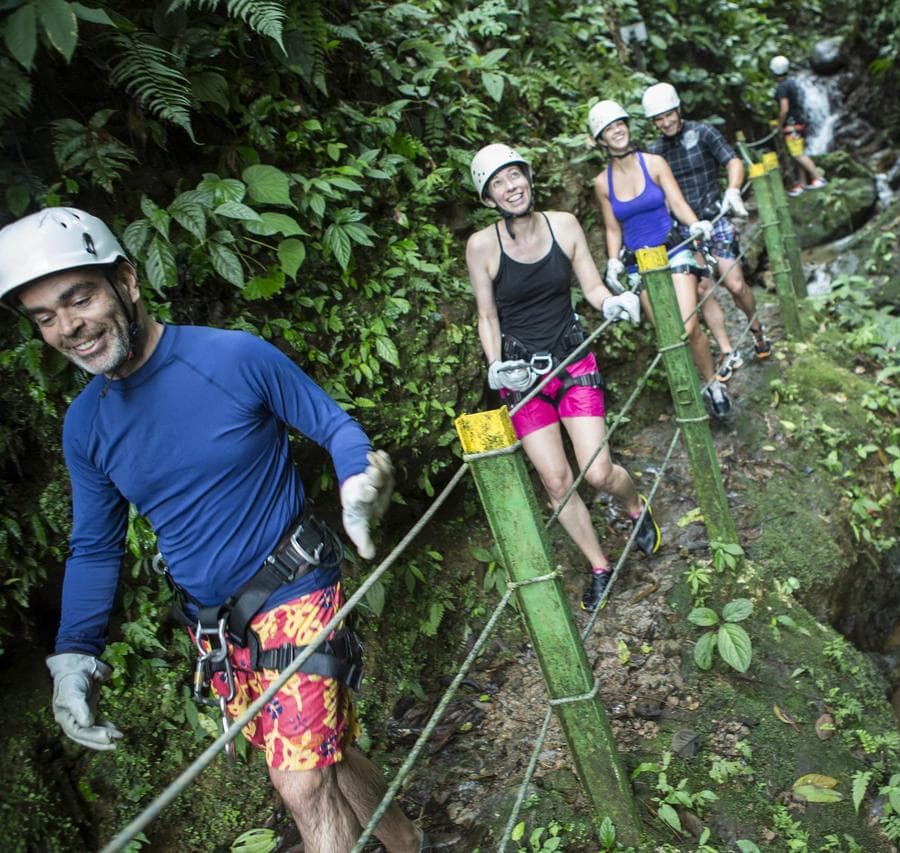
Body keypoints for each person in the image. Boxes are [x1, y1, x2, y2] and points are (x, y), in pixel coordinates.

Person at [0, 207, 422, 853]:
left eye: (78, 297)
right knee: (323, 753)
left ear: (127, 280)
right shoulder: (86, 424)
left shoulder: (231, 356)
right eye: (45, 317)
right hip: (218, 623)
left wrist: (356, 477)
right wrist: (74, 655)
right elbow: (95, 543)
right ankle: (410, 844)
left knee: (299, 783)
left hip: (296, 586)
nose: (68, 327)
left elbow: (333, 425)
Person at [465, 144, 661, 612]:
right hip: (523, 379)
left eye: (516, 176)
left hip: (572, 361)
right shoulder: (481, 246)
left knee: (597, 472)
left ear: (528, 179)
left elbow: (591, 286)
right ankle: (599, 565)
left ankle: (634, 507)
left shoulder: (564, 225)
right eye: (499, 182)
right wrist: (496, 365)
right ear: (489, 197)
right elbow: (487, 316)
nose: (512, 187)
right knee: (556, 482)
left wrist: (611, 302)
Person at [587, 99, 733, 419]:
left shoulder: (653, 163)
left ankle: (713, 385)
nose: (618, 131)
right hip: (640, 262)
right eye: (610, 129)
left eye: (620, 124)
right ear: (600, 140)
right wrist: (613, 261)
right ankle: (690, 389)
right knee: (669, 333)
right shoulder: (602, 183)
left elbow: (677, 202)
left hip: (674, 250)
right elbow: (613, 227)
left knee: (688, 325)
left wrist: (694, 223)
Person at [643, 81, 773, 381]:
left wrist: (732, 190)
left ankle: (756, 328)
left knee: (736, 284)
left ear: (678, 109)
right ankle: (728, 350)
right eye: (658, 119)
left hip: (714, 219)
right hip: (686, 233)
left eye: (668, 115)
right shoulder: (655, 152)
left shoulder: (702, 133)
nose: (665, 123)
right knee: (703, 291)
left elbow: (733, 160)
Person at [769, 55, 827, 197]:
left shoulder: (782, 87)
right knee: (797, 154)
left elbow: (784, 109)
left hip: (792, 126)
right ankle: (802, 183)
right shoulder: (793, 83)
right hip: (801, 123)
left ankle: (819, 178)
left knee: (798, 154)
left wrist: (779, 124)